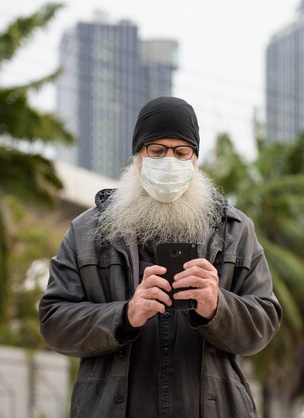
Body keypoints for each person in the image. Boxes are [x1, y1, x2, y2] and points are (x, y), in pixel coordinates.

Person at [39, 96, 282, 418]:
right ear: (138, 157)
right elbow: (55, 321)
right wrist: (125, 315)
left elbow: (263, 324)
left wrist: (216, 306)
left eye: (181, 152)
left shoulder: (235, 231)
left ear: (195, 160)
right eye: (157, 150)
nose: (170, 161)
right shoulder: (86, 231)